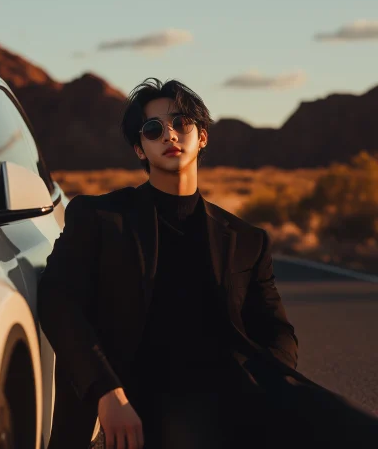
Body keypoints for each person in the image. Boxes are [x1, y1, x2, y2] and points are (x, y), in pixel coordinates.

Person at [38, 78, 378, 449]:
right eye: (154, 129)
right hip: (147, 402)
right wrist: (108, 392)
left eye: (181, 123)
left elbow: (279, 333)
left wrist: (259, 389)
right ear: (139, 149)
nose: (170, 134)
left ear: (202, 137)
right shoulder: (100, 217)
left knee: (357, 429)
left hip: (237, 396)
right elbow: (59, 301)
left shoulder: (246, 239)